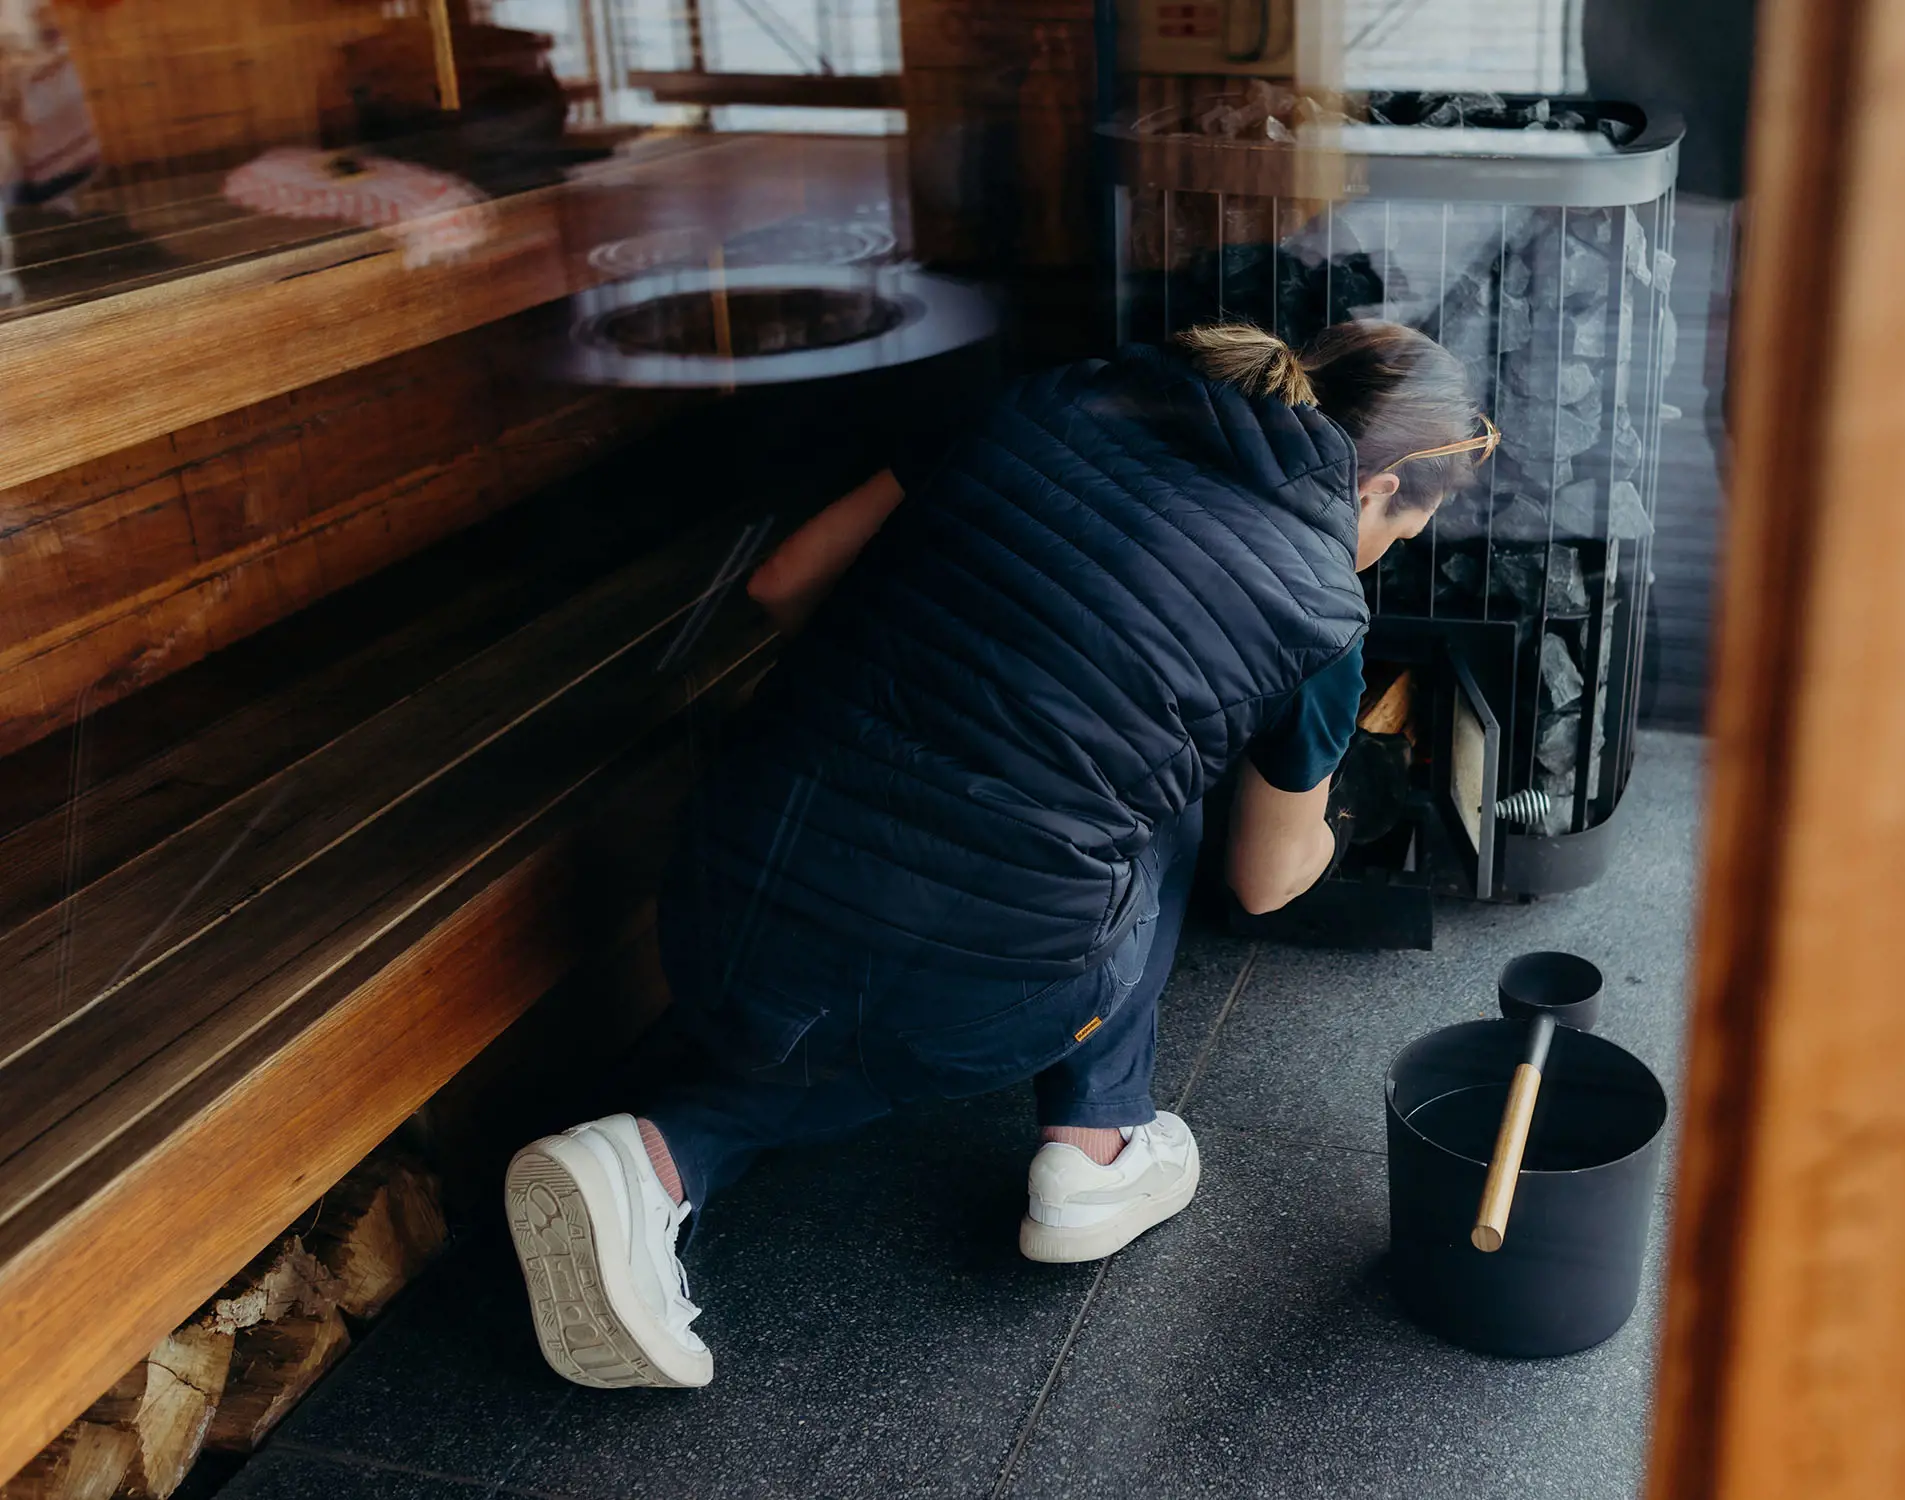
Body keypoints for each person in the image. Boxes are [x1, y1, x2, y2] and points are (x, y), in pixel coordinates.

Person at [504, 320, 1492, 1389]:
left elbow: (782, 585)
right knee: (1152, 811)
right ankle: (1094, 1144)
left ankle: (651, 1168)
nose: (1388, 554)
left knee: (1069, 798)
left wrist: (921, 709)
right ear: (1383, 483)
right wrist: (1332, 814)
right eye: (1407, 528)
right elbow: (1262, 880)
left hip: (722, 876)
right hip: (962, 994)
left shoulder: (1055, 395)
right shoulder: (1319, 607)